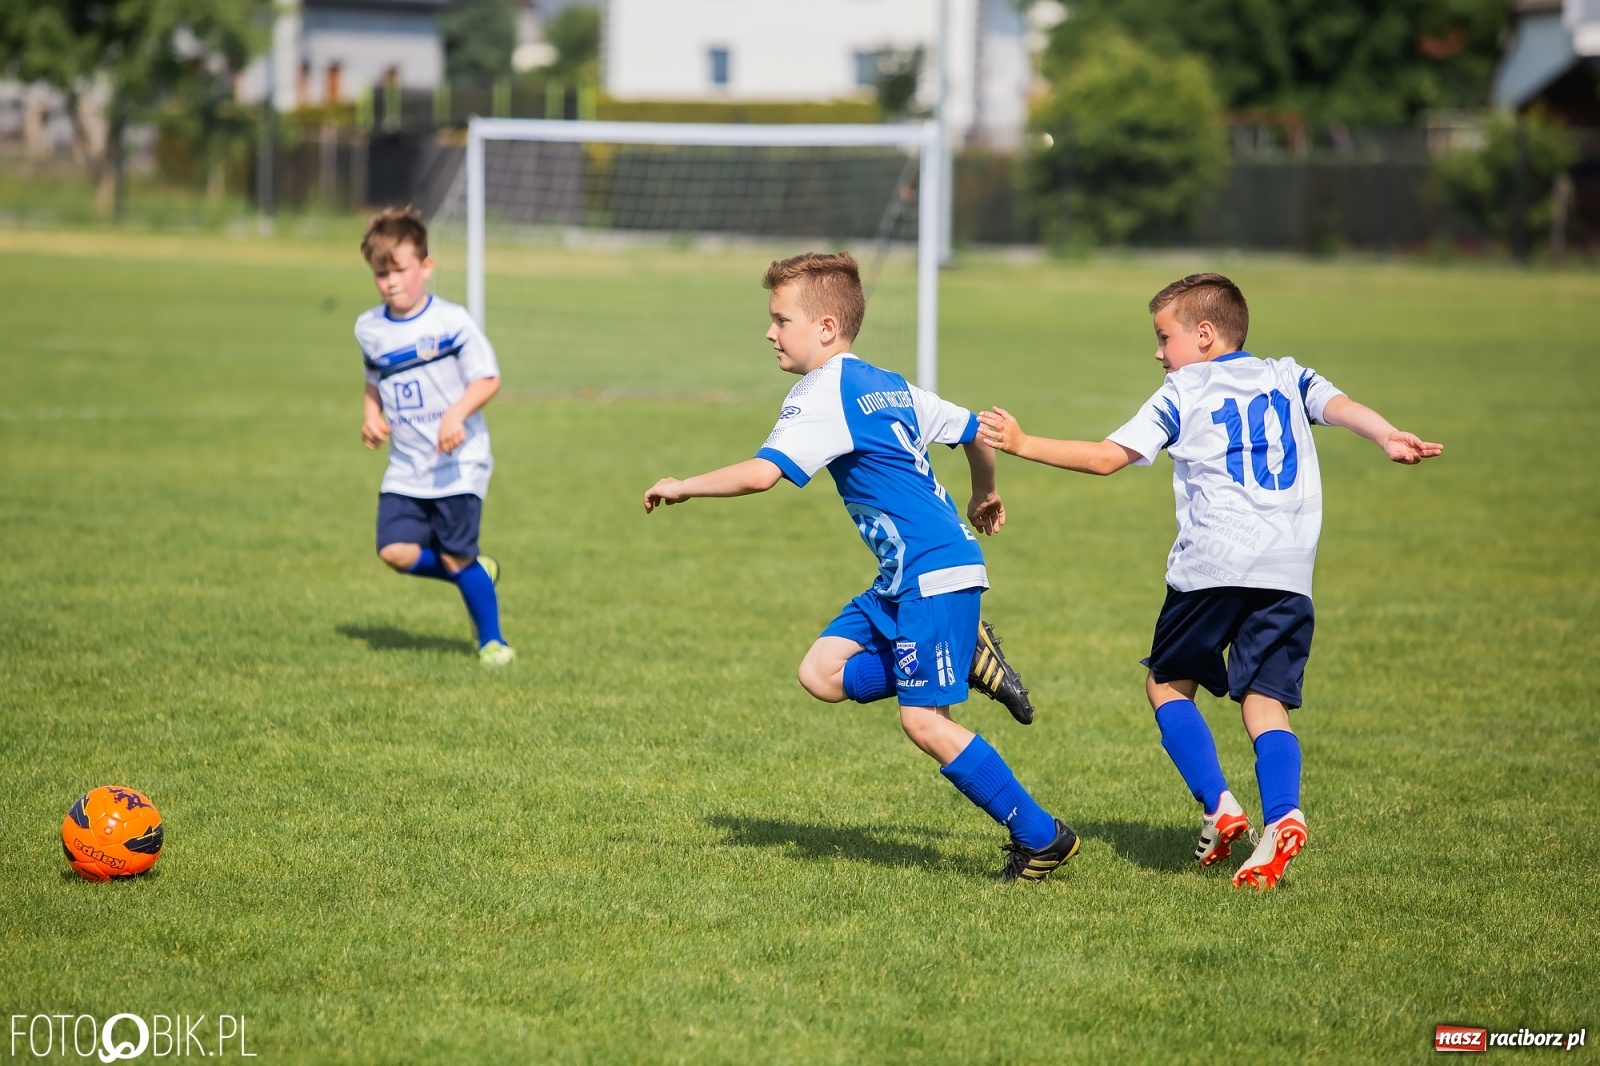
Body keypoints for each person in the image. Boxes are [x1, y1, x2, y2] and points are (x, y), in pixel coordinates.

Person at [978, 272, 1441, 890]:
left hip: (1214, 564)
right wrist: (1386, 434)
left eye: (1163, 337)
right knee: (1265, 700)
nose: (1158, 352)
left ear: (1203, 336)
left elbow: (1106, 459)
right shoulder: (1287, 374)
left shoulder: (1183, 389)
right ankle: (1282, 818)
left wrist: (1022, 441)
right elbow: (1343, 408)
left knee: (1167, 685)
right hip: (1289, 568)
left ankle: (1220, 807)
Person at [643, 252, 1078, 883]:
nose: (770, 332)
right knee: (821, 672)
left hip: (932, 569)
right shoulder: (888, 382)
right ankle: (970, 657)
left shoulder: (822, 394)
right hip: (905, 575)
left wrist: (685, 485)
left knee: (924, 721)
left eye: (780, 320)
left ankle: (1041, 837)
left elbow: (765, 473)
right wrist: (984, 491)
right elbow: (975, 431)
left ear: (824, 327)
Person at [355, 207, 513, 666]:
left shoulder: (451, 322)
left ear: (426, 266)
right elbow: (373, 380)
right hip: (407, 466)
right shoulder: (369, 328)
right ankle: (476, 573)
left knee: (455, 557)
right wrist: (370, 416)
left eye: (399, 270)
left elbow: (488, 379)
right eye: (380, 274)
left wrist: (456, 415)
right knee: (395, 551)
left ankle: (493, 642)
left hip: (458, 463)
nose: (390, 282)